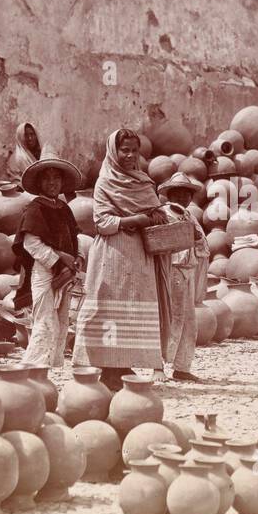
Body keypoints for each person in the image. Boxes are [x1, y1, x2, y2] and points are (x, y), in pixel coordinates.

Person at [72, 128, 171, 391]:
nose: (129, 155)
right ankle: (109, 367)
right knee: (110, 306)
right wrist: (138, 219)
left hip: (139, 254)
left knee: (133, 306)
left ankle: (125, 362)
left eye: (134, 150)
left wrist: (157, 215)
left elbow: (158, 214)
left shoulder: (143, 181)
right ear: (113, 151)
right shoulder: (105, 182)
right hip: (112, 253)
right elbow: (102, 222)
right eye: (123, 150)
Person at [13, 148, 82, 369]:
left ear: (62, 182)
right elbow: (31, 244)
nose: (52, 183)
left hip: (66, 272)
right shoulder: (34, 209)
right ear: (40, 183)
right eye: (47, 178)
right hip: (44, 270)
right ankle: (34, 365)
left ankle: (55, 363)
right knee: (44, 317)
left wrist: (77, 258)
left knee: (62, 320)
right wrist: (59, 259)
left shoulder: (64, 208)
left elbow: (74, 237)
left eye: (56, 178)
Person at [158, 172, 209, 381]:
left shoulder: (190, 216)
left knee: (189, 321)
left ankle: (182, 367)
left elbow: (203, 246)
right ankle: (160, 365)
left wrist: (195, 238)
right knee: (172, 318)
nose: (182, 198)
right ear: (169, 194)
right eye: (177, 193)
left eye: (186, 194)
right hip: (173, 269)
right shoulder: (164, 214)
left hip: (189, 269)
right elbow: (161, 242)